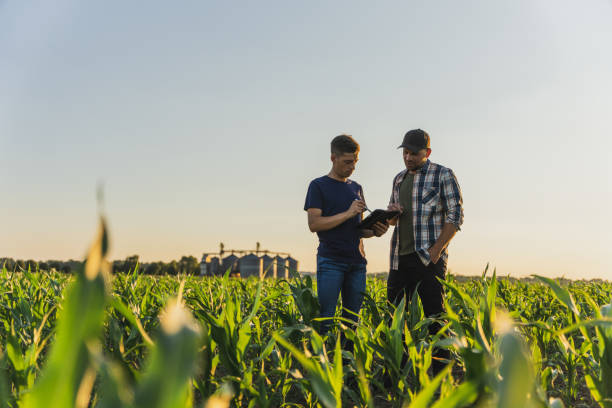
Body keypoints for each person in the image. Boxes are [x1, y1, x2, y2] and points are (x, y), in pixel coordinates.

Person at [386, 129, 464, 374]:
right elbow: (392, 222)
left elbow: (456, 215)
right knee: (394, 318)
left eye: (414, 153)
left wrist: (436, 250)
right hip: (400, 258)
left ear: (427, 153)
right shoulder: (399, 179)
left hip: (428, 259)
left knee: (435, 318)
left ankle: (442, 375)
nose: (408, 158)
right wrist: (391, 213)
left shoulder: (443, 174)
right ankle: (396, 373)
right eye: (405, 153)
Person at [304, 134, 389, 337]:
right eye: (347, 162)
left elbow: (358, 229)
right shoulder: (317, 186)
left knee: (352, 320)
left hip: (357, 263)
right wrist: (348, 213)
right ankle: (322, 363)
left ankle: (348, 364)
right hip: (331, 261)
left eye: (355, 162)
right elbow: (314, 224)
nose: (352, 167)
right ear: (333, 158)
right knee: (326, 318)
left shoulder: (356, 188)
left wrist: (376, 231)